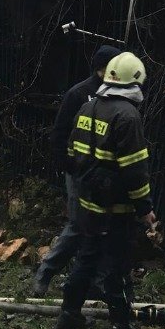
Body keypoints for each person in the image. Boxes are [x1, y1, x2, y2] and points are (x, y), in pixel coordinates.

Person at [57, 51, 157, 329]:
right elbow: (135, 170)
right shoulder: (127, 116)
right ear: (135, 81)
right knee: (117, 266)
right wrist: (145, 209)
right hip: (117, 209)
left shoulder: (88, 108)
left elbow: (73, 153)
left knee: (86, 258)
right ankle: (123, 328)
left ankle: (69, 313)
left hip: (89, 204)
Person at [32, 44, 121, 297]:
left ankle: (93, 282)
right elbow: (59, 134)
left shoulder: (115, 95)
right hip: (79, 171)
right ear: (102, 68)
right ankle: (46, 272)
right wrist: (69, 166)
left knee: (104, 225)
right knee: (79, 224)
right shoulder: (79, 94)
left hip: (104, 175)